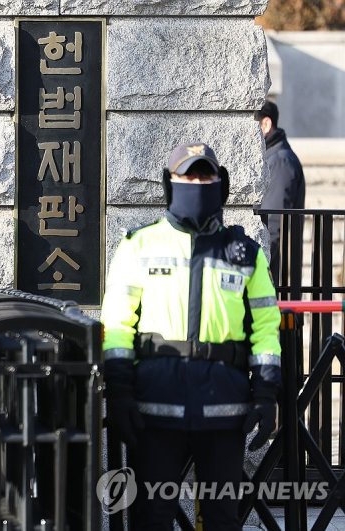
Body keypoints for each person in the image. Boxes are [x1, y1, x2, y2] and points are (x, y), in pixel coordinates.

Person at [101, 143, 282, 530]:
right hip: (156, 406)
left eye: (205, 175)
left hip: (223, 410)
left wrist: (267, 395)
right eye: (189, 176)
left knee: (221, 519)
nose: (198, 183)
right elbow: (117, 325)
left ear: (221, 183)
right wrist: (119, 392)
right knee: (151, 518)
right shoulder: (138, 246)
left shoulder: (245, 254)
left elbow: (266, 329)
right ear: (170, 183)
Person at [254, 101, 306, 280]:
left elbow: (274, 225)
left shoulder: (279, 162)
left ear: (266, 124)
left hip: (272, 273)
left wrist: (258, 271)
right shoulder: (274, 158)